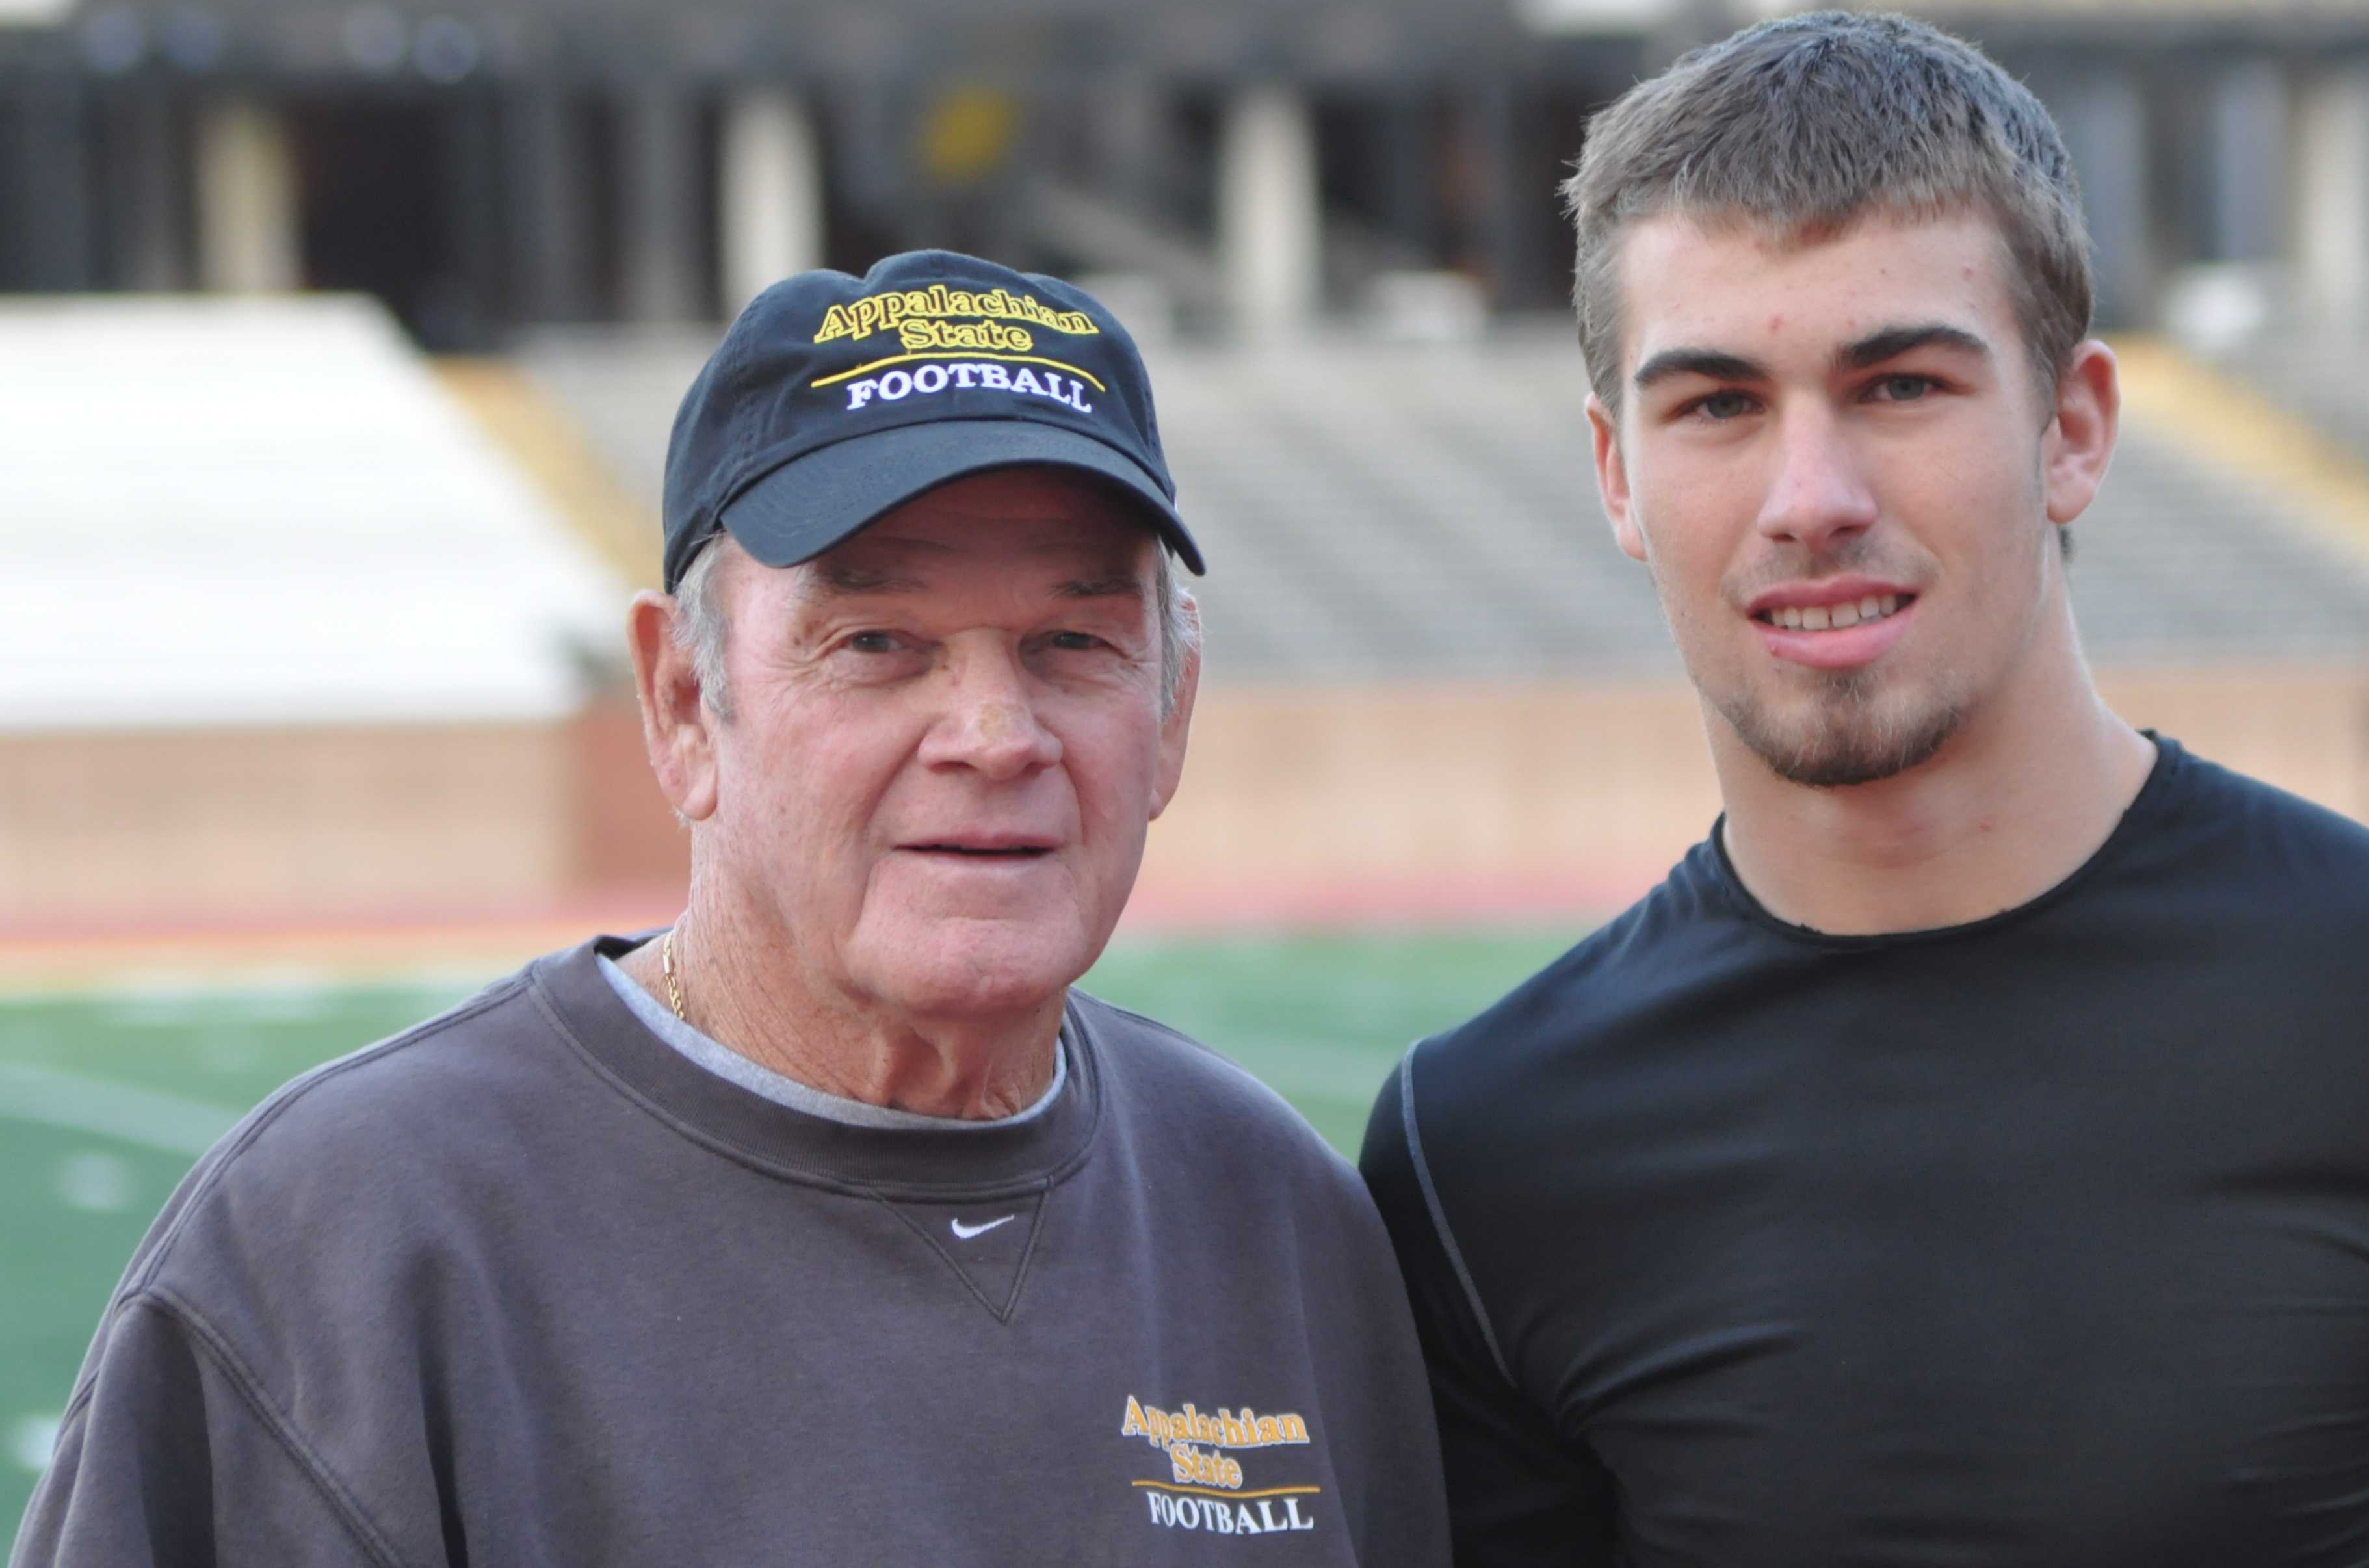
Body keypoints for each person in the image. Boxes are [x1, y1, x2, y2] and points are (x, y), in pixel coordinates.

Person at [1359, 12, 2369, 1565]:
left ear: (2073, 427)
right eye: (1714, 404)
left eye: (1899, 384)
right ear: (1615, 474)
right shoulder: (1481, 1148)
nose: (1810, 499)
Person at [19, 250, 1448, 1566]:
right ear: (685, 701)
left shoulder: (1275, 1216)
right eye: (876, 642)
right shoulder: (344, 1238)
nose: (994, 732)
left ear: (1172, 706)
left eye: (1073, 642)